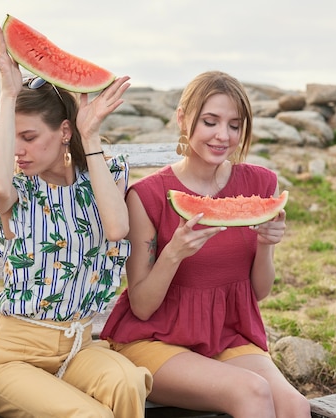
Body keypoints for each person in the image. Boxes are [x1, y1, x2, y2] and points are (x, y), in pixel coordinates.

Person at [100, 71, 311, 417]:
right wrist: (174, 254)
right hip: (155, 340)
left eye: (234, 125)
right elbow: (141, 306)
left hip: (227, 336)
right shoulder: (147, 196)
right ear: (183, 118)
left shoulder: (260, 183)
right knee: (252, 392)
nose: (222, 136)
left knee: (296, 406)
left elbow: (258, 292)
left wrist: (265, 244)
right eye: (210, 121)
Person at [0, 23, 152, 418]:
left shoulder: (105, 174)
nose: (18, 150)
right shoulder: (18, 191)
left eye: (30, 137)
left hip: (79, 347)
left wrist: (89, 136)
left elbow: (117, 229)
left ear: (63, 131)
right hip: (12, 359)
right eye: (13, 138)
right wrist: (8, 91)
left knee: (128, 384)